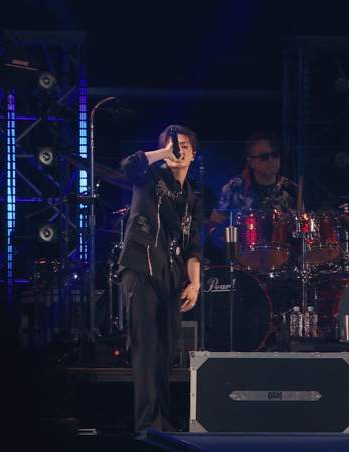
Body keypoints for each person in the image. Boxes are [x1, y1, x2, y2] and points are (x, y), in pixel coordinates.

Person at [117, 124, 202, 434]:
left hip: (171, 276)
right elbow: (129, 165)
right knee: (147, 348)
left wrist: (195, 283)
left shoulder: (193, 195)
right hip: (141, 268)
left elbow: (193, 246)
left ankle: (162, 421)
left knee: (166, 350)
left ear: (194, 153)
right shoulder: (149, 177)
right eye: (173, 145)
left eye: (184, 146)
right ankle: (147, 424)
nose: (179, 150)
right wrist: (164, 152)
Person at [211, 132, 299, 222]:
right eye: (264, 157)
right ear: (251, 162)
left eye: (275, 155)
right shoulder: (233, 188)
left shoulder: (292, 189)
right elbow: (215, 223)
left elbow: (301, 224)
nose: (271, 160)